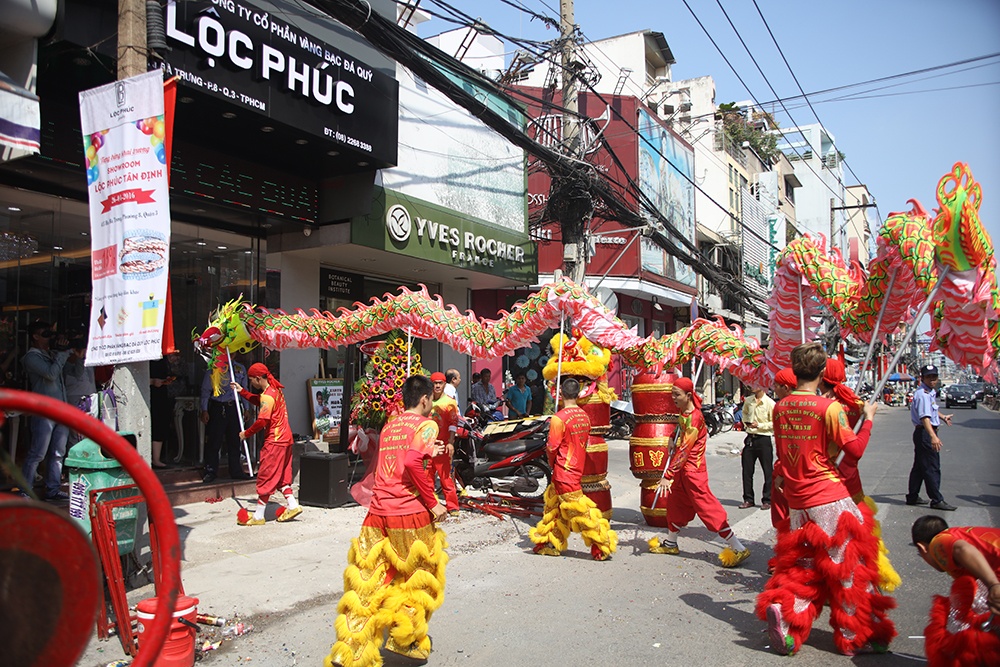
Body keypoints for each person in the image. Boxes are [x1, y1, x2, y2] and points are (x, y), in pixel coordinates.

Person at [757, 342, 895, 656]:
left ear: (794, 371)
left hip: (797, 499)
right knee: (848, 565)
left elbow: (785, 453)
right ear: (821, 372)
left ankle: (787, 616)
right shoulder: (829, 408)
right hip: (828, 495)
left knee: (806, 564)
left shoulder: (781, 406)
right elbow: (855, 450)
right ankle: (855, 634)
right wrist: (869, 418)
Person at [325, 375, 448, 667]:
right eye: (432, 399)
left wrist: (432, 452)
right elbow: (411, 462)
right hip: (409, 513)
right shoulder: (427, 424)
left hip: (376, 513)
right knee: (419, 579)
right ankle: (404, 640)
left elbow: (397, 460)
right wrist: (434, 503)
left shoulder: (390, 426)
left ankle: (349, 650)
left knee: (367, 584)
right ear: (425, 399)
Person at [648, 377, 749, 567]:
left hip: (693, 471)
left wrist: (667, 475)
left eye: (676, 395)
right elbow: (680, 429)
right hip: (683, 472)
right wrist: (671, 436)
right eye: (672, 394)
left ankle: (737, 546)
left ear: (688, 395)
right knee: (676, 504)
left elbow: (685, 449)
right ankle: (671, 542)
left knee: (707, 507)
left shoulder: (695, 417)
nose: (673, 398)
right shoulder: (683, 412)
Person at [821, 357, 901, 592]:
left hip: (829, 477)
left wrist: (869, 420)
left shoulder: (826, 406)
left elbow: (854, 450)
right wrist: (868, 417)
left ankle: (842, 581)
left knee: (829, 535)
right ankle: (867, 577)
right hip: (849, 477)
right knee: (858, 532)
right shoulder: (856, 404)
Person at [530, 378, 617, 561]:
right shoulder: (584, 416)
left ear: (560, 393)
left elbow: (552, 448)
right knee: (553, 506)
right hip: (577, 467)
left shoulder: (558, 418)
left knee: (579, 510)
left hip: (564, 470)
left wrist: (552, 462)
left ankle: (601, 543)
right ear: (579, 394)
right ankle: (550, 541)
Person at [911, 516, 1000, 666]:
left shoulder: (938, 543)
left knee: (958, 625)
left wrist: (993, 586)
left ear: (922, 548)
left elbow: (962, 549)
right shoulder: (962, 535)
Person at [232, 363, 300, 526]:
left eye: (251, 381)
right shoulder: (275, 390)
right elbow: (259, 401)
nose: (252, 384)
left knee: (266, 475)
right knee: (283, 476)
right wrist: (243, 392)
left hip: (274, 441)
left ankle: (258, 516)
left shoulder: (267, 395)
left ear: (257, 378)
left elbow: (262, 421)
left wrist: (246, 433)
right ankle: (293, 505)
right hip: (286, 439)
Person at [20, 322, 72, 500]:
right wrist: (63, 354)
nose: (50, 337)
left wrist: (70, 352)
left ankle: (53, 489)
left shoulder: (51, 354)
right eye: (45, 334)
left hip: (60, 409)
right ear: (35, 336)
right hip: (44, 411)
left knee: (58, 453)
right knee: (37, 453)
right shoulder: (31, 357)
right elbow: (51, 374)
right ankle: (25, 491)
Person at [907, 364, 956, 511]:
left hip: (925, 432)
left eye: (934, 377)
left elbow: (932, 411)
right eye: (929, 377)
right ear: (922, 378)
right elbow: (925, 418)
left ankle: (913, 496)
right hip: (925, 433)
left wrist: (942, 417)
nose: (932, 380)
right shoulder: (923, 394)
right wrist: (933, 436)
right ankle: (936, 499)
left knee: (920, 467)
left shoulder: (929, 393)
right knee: (932, 467)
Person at [200, 357, 249, 482]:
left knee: (234, 440)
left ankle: (236, 470)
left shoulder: (240, 368)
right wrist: (204, 409)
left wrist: (247, 408)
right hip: (218, 407)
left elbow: (244, 389)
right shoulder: (214, 368)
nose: (231, 354)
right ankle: (210, 471)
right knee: (214, 440)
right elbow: (206, 390)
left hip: (234, 407)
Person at [767, 367, 797, 529]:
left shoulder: (782, 407)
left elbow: (785, 447)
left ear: (786, 387)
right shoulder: (826, 405)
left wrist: (781, 472)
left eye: (776, 386)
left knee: (785, 518)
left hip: (790, 469)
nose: (774, 389)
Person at [739, 385, 774, 510]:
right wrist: (747, 424)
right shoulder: (748, 401)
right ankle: (748, 499)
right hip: (750, 438)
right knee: (747, 471)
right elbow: (744, 415)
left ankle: (767, 499)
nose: (752, 387)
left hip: (764, 439)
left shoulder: (770, 403)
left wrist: (759, 425)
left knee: (768, 471)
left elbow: (774, 422)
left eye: (756, 384)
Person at [430, 371, 459, 515]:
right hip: (427, 446)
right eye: (434, 383)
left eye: (439, 383)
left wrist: (451, 443)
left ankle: (453, 506)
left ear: (444, 384)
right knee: (427, 477)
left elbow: (453, 424)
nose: (437, 386)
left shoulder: (449, 402)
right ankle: (430, 504)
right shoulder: (425, 401)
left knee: (445, 477)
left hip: (442, 445)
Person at [149, 353, 176, 469]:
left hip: (161, 394)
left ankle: (156, 458)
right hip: (148, 394)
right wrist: (152, 381)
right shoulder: (146, 357)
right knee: (151, 423)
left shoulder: (163, 358)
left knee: (161, 423)